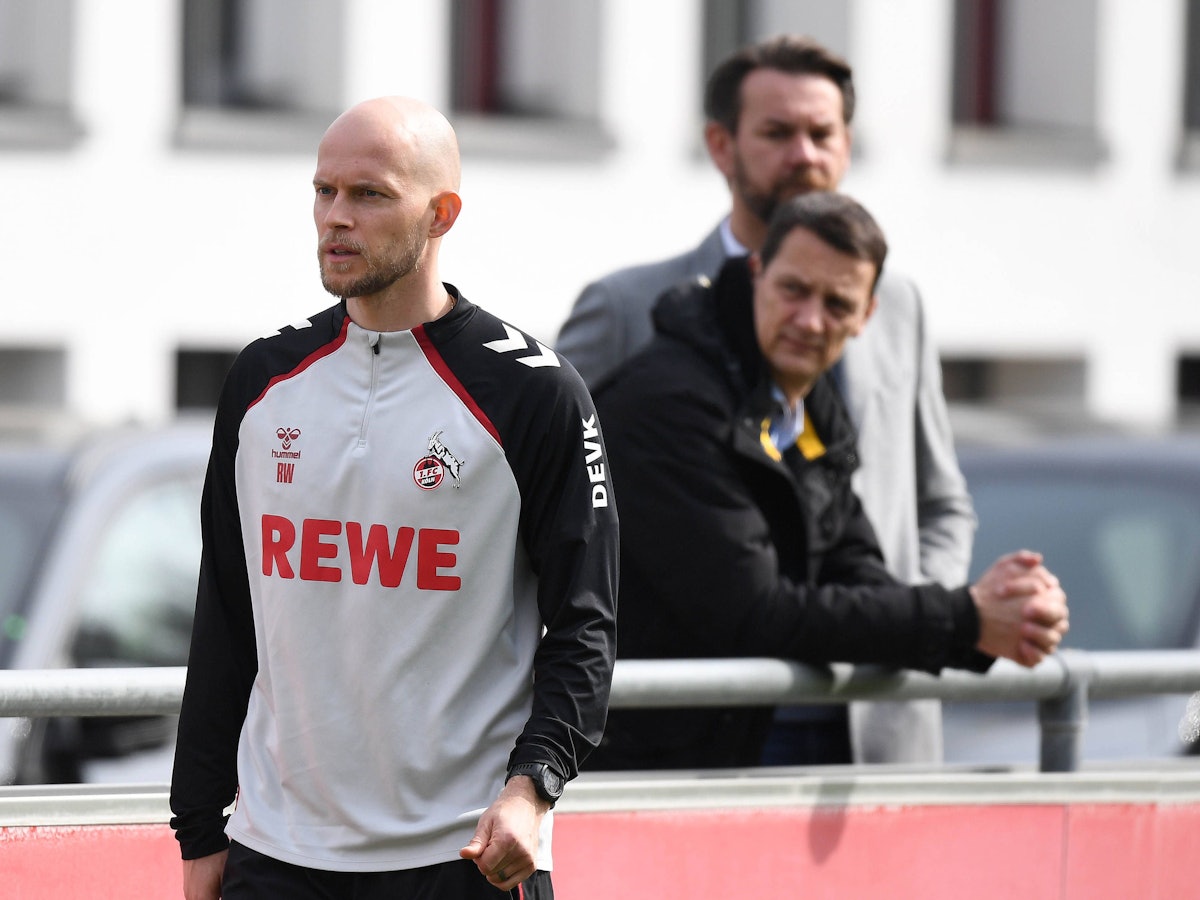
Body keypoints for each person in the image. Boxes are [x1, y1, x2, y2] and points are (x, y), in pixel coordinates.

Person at [168, 96, 619, 900]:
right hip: (276, 857)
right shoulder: (261, 380)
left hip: (464, 857)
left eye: (369, 194)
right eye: (323, 191)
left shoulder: (535, 393)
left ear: (441, 213)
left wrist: (533, 788)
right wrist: (200, 826)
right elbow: (228, 613)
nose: (336, 218)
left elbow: (585, 625)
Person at [556, 34, 973, 763]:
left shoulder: (897, 303)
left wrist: (899, 622)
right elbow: (549, 496)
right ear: (722, 146)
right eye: (778, 133)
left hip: (874, 718)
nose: (805, 155)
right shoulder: (628, 307)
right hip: (690, 724)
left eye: (823, 133)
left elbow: (939, 502)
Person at [586, 190, 1067, 771]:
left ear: (867, 316)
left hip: (718, 758)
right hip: (638, 779)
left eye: (837, 303)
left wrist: (995, 616)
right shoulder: (668, 401)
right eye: (794, 290)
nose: (810, 321)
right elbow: (755, 612)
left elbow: (856, 567)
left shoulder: (806, 407)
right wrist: (969, 618)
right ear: (757, 271)